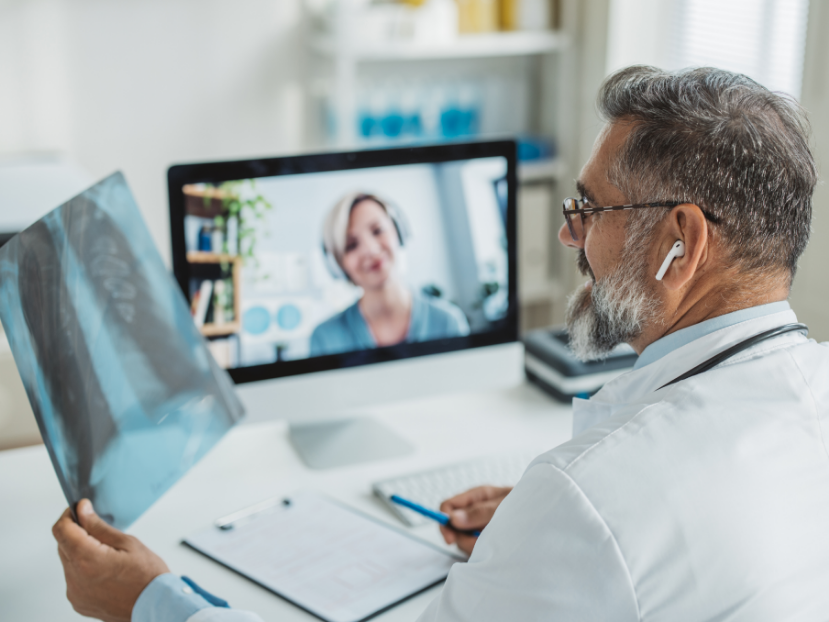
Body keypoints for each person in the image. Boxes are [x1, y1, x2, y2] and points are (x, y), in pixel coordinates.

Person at [53, 65, 829, 621]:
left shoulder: (587, 500)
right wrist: (539, 548)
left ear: (679, 241)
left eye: (588, 208)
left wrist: (150, 603)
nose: (567, 233)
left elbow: (616, 526)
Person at [309, 192, 470, 356]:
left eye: (378, 231)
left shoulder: (448, 321)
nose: (371, 250)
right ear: (338, 264)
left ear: (399, 232)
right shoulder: (324, 339)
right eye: (351, 245)